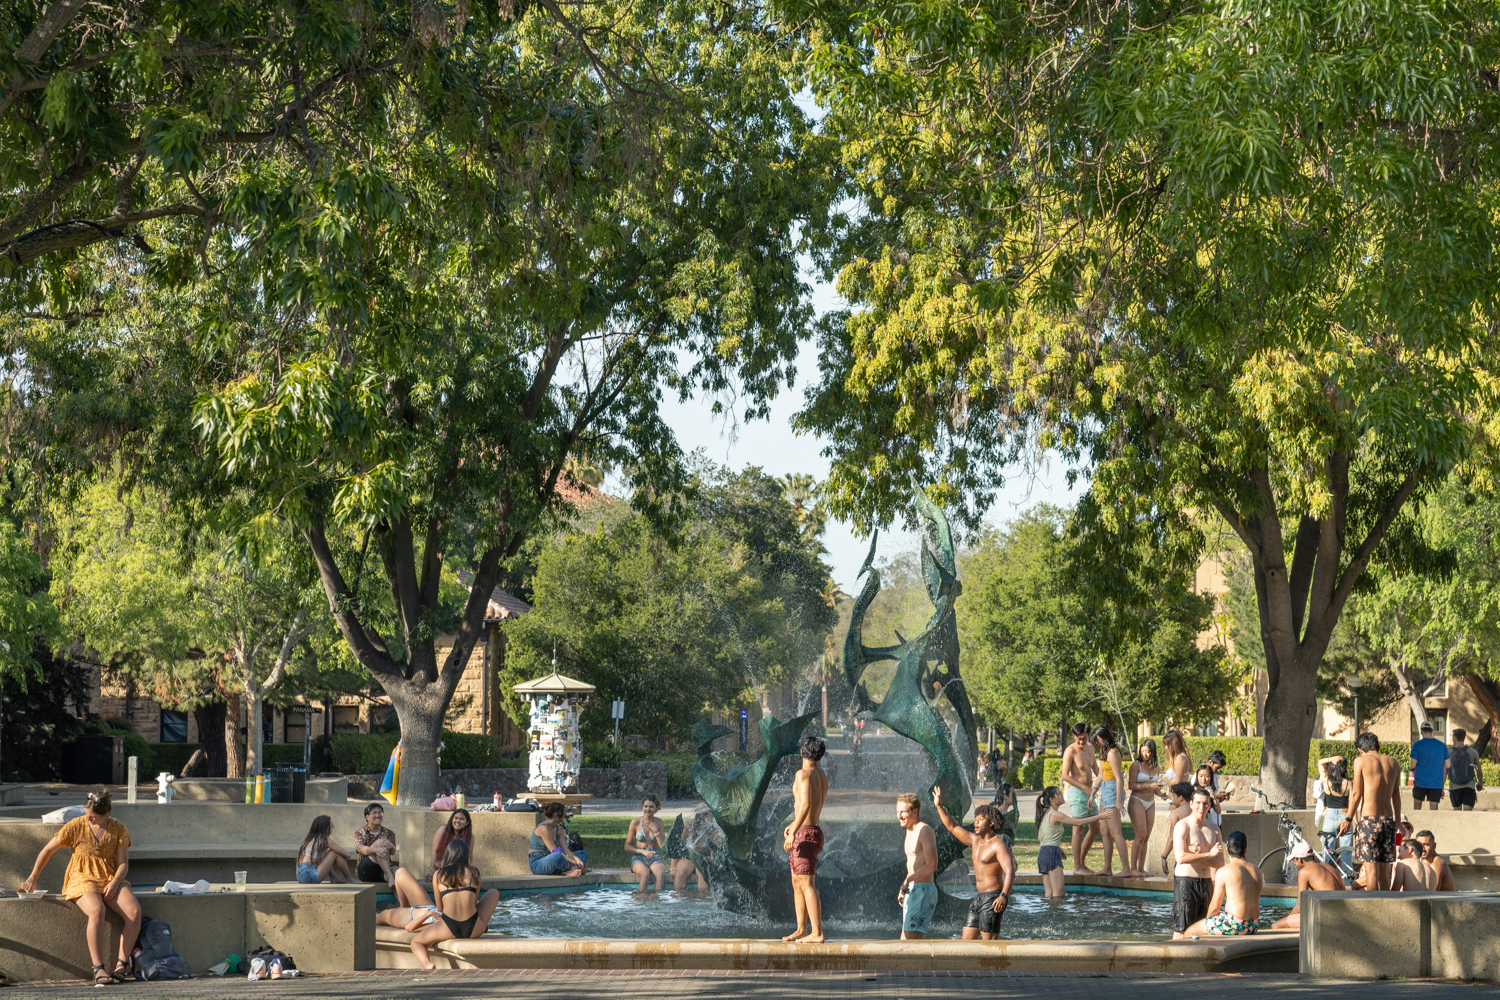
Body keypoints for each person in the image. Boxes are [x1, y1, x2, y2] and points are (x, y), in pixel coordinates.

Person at [19, 790, 141, 985]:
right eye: (86, 813)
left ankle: (121, 965)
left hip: (110, 876)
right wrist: (33, 877)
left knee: (134, 912)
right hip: (81, 876)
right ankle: (98, 968)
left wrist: (116, 882)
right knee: (97, 909)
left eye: (93, 816)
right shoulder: (76, 825)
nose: (88, 818)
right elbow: (47, 850)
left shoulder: (119, 828)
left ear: (106, 814)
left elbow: (123, 864)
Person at [382, 840, 501, 970]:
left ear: (448, 854)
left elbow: (440, 908)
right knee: (493, 892)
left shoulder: (439, 874)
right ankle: (484, 926)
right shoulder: (474, 872)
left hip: (449, 926)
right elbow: (474, 903)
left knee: (416, 942)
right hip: (474, 927)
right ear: (467, 855)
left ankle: (428, 964)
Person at [932, 786, 1014, 939]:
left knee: (989, 946)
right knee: (966, 942)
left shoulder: (998, 845)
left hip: (993, 898)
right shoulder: (975, 841)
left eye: (980, 819)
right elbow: (952, 826)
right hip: (978, 898)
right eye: (975, 819)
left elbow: (1010, 871)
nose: (975, 823)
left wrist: (1004, 895)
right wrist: (938, 805)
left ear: (991, 823)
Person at [1337, 732, 1402, 891]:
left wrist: (1348, 819)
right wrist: (1398, 821)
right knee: (1384, 875)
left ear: (1360, 749)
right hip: (1388, 821)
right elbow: (1396, 795)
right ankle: (1385, 909)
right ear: (1377, 746)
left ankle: (1372, 911)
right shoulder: (1393, 762)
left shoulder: (1360, 761)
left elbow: (1356, 794)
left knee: (1371, 873)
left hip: (1369, 822)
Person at [782, 735, 829, 943]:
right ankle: (801, 928)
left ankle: (817, 933)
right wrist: (793, 826)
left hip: (805, 833)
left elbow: (806, 805)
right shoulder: (822, 775)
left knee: (807, 883)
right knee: (797, 882)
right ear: (821, 756)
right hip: (810, 830)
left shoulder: (803, 774)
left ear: (801, 753)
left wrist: (795, 831)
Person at [1182, 830, 1261, 937]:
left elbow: (1215, 906)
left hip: (1235, 924)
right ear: (1245, 850)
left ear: (1227, 850)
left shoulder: (1224, 871)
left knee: (1189, 932)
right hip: (1253, 925)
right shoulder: (1257, 871)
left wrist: (1207, 924)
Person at [1171, 787, 1224, 939]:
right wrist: (1208, 854)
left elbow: (1220, 862)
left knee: (1205, 928)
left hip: (1206, 883)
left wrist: (1198, 855)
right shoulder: (1183, 826)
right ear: (1191, 804)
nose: (1202, 807)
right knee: (1181, 929)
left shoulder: (1214, 829)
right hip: (1186, 884)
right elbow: (1180, 858)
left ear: (1209, 805)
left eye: (1206, 804)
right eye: (1199, 803)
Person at [1034, 785, 1103, 898]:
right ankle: (1059, 915)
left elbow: (1040, 838)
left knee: (1049, 894)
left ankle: (1047, 914)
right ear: (1052, 800)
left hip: (1043, 853)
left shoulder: (1045, 814)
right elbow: (1078, 823)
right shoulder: (1055, 814)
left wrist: (1057, 848)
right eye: (1059, 794)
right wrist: (1099, 816)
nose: (1061, 795)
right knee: (1059, 894)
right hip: (1051, 853)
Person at [1270, 841, 1344, 929]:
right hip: (1342, 915)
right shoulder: (1329, 867)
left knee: (1276, 925)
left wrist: (1288, 917)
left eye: (1294, 860)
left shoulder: (1304, 872)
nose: (1295, 864)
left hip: (1326, 918)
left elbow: (1300, 906)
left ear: (1300, 859)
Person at [895, 792, 937, 939]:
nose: (899, 816)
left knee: (906, 942)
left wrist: (907, 881)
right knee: (915, 943)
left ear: (915, 811)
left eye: (903, 812)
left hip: (923, 891)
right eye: (897, 812)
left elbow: (932, 865)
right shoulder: (909, 831)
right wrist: (904, 888)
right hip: (913, 890)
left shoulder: (924, 831)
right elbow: (914, 865)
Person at [1060, 722, 1100, 874]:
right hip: (1077, 791)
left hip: (1089, 792)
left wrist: (1105, 779)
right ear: (1074, 736)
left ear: (1089, 735)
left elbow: (1095, 768)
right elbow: (1065, 775)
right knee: (1078, 828)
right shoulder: (1070, 751)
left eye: (1084, 738)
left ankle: (1081, 862)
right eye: (1078, 739)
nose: (1081, 742)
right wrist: (1084, 788)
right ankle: (1077, 867)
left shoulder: (1090, 748)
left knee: (1095, 828)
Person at [1091, 726, 1129, 877]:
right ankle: (1107, 867)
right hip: (1105, 790)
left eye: (1098, 740)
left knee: (1115, 832)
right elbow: (1100, 774)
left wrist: (1118, 801)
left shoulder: (1112, 753)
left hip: (1113, 790)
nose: (1097, 743)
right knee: (1104, 831)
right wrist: (1093, 792)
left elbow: (1119, 778)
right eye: (1095, 741)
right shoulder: (1103, 751)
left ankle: (1126, 869)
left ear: (1105, 737)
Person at [1127, 738, 1163, 879]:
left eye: (1148, 751)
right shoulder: (1136, 765)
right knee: (1140, 835)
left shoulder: (1157, 767)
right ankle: (1133, 868)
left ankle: (1141, 868)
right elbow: (1131, 785)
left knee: (1146, 837)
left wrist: (1161, 793)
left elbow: (1155, 789)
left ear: (1153, 752)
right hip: (1137, 801)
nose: (1145, 754)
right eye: (1142, 751)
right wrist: (1149, 786)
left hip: (1150, 802)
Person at [531, 802, 586, 876]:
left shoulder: (558, 829)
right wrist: (574, 862)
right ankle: (570, 869)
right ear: (556, 815)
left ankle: (571, 868)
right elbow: (554, 851)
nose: (565, 815)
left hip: (554, 860)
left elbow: (566, 850)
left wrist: (576, 858)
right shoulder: (543, 828)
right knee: (558, 856)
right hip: (539, 863)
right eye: (564, 813)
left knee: (582, 854)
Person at [625, 794, 667, 890]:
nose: (648, 809)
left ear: (657, 808)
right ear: (642, 807)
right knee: (645, 873)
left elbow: (663, 847)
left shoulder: (659, 822)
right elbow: (627, 846)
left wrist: (656, 831)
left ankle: (656, 900)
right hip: (639, 856)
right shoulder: (635, 822)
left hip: (654, 856)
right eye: (646, 806)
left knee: (660, 874)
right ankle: (641, 899)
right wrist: (643, 851)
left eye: (651, 807)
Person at [296, 815, 353, 884]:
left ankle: (334, 878)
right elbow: (348, 855)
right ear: (325, 828)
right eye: (331, 826)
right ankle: (350, 878)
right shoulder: (326, 841)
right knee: (334, 852)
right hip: (310, 876)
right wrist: (341, 858)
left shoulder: (309, 840)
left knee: (326, 854)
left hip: (300, 877)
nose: (333, 827)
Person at [1409, 721, 1449, 811]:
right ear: (1432, 730)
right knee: (1434, 811)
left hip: (1420, 782)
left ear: (1421, 730)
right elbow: (1448, 765)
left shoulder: (1416, 745)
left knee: (1417, 809)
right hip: (1436, 783)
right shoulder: (1442, 745)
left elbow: (1412, 765)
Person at [354, 802, 397, 886]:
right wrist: (375, 850)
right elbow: (360, 848)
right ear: (367, 817)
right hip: (366, 869)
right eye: (374, 813)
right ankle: (389, 876)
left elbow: (392, 852)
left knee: (400, 873)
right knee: (380, 843)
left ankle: (400, 898)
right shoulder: (360, 832)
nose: (378, 815)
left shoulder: (389, 832)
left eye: (380, 812)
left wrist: (391, 846)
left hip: (383, 869)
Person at [1159, 782, 1194, 877]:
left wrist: (1164, 856)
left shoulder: (1176, 813)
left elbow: (1172, 838)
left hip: (1183, 856)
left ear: (1180, 798)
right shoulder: (1197, 811)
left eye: (1174, 796)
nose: (1172, 799)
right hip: (1197, 855)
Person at [1448, 728, 1484, 811]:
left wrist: (1441, 785)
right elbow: (1478, 770)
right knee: (1468, 813)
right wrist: (1480, 782)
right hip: (1469, 786)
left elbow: (1445, 770)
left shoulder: (1449, 752)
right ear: (1464, 738)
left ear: (1455, 738)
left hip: (1454, 787)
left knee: (1457, 813)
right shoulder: (1473, 752)